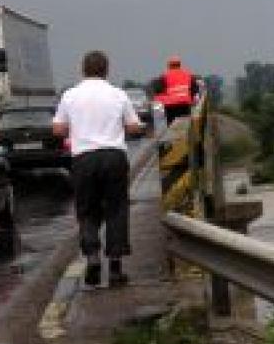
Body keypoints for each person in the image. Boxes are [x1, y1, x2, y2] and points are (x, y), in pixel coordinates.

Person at [53, 51, 144, 287]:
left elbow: (59, 131)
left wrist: (78, 127)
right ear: (106, 69)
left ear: (83, 70)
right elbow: (134, 128)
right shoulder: (118, 95)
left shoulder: (70, 96)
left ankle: (92, 258)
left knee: (87, 210)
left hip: (84, 159)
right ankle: (115, 268)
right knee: (116, 210)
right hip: (113, 157)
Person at [153, 55, 204, 125]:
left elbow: (158, 91)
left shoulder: (164, 76)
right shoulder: (188, 75)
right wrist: (191, 99)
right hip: (184, 104)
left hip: (170, 106)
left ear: (169, 65)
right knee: (185, 124)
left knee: (171, 125)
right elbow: (195, 89)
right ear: (180, 65)